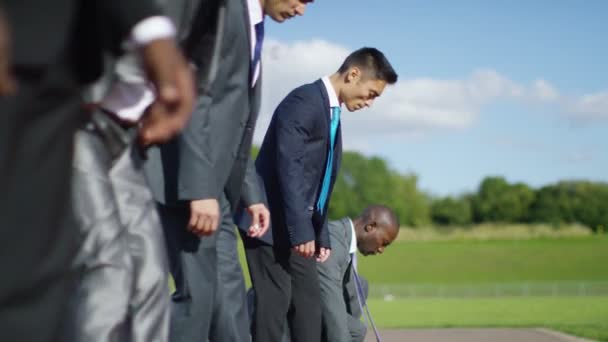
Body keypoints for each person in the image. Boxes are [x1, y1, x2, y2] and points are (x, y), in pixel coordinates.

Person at [0, 1, 195, 341]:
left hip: (77, 97)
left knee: (146, 274)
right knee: (104, 267)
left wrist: (150, 30)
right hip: (33, 74)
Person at [144, 1, 314, 341]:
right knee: (196, 299)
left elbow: (235, 124)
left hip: (220, 189)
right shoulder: (222, 10)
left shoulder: (254, 27)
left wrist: (252, 195)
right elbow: (193, 96)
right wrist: (200, 188)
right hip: (187, 182)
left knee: (229, 300)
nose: (301, 10)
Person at [242, 47, 398, 342]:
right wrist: (302, 231)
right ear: (353, 75)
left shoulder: (330, 114)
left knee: (309, 308)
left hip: (298, 229)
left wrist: (320, 234)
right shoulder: (304, 101)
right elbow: (290, 168)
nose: (370, 103)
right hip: (269, 224)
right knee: (273, 308)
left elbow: (320, 183)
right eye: (371, 93)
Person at [318, 205, 400, 342]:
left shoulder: (345, 242)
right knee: (355, 331)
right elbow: (330, 303)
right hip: (293, 315)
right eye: (384, 243)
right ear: (370, 227)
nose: (381, 250)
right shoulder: (333, 241)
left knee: (361, 286)